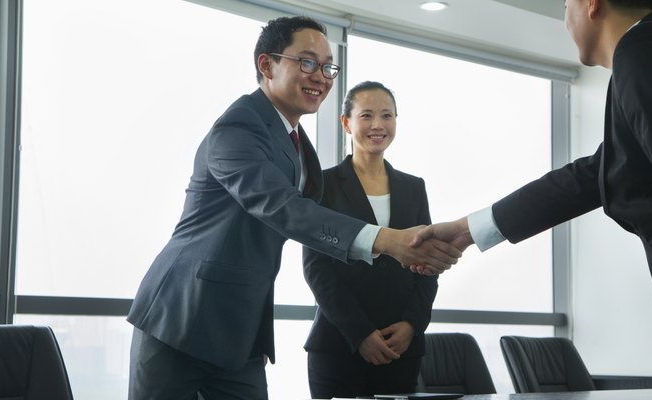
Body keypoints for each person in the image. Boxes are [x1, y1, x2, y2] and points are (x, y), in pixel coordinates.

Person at [411, 0, 652, 398]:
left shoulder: (651, 51)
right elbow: (594, 175)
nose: (564, 17)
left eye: (566, 3)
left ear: (591, 4)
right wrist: (468, 229)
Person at [126, 16, 460, 400]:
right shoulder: (238, 128)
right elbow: (281, 207)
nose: (320, 76)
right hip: (182, 319)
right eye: (306, 62)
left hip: (240, 334)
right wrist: (385, 240)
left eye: (327, 66)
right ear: (266, 65)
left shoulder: (296, 142)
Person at [302, 81, 438, 398]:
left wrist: (412, 325)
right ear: (347, 123)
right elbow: (316, 268)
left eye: (387, 115)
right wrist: (359, 333)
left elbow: (429, 263)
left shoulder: (413, 187)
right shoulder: (323, 184)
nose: (378, 125)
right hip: (339, 345)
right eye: (367, 115)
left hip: (399, 348)